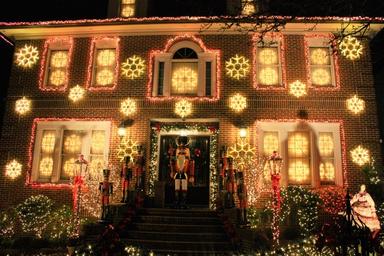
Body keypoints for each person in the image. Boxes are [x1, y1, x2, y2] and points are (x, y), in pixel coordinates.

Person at [173, 136, 190, 209]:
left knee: (184, 189)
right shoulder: (177, 159)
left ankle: (183, 203)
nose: (181, 152)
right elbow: (175, 163)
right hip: (177, 174)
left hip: (184, 174)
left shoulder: (187, 160)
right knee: (176, 189)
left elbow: (188, 160)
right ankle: (177, 203)